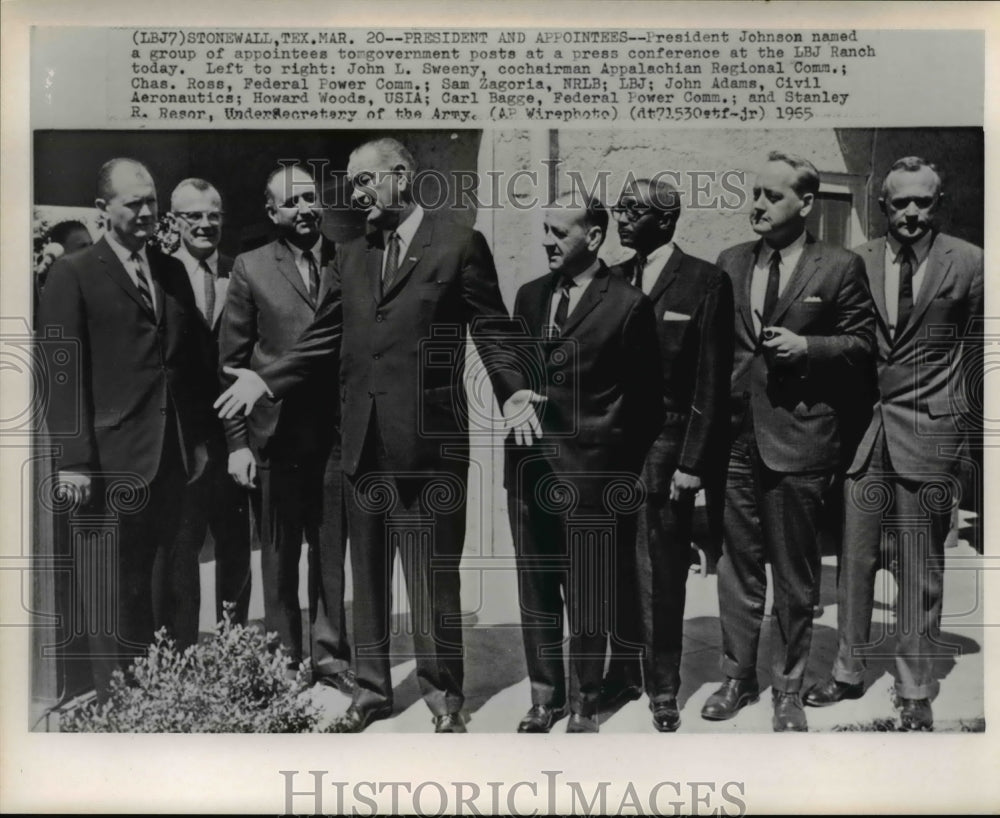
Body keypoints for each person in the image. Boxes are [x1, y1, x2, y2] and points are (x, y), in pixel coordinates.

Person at [216, 138, 533, 733]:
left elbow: (492, 328)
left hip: (430, 448)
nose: (355, 194)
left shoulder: (459, 244)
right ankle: (371, 691)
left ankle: (444, 698)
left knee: (432, 576)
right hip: (361, 445)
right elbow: (319, 338)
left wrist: (512, 386)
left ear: (402, 178)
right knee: (366, 575)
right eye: (352, 183)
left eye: (365, 181)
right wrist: (266, 381)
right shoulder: (352, 257)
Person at [804, 157, 983, 731]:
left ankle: (913, 688)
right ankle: (849, 672)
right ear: (883, 206)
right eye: (900, 202)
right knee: (852, 562)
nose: (911, 212)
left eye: (922, 202)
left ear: (939, 204)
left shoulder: (971, 263)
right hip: (864, 434)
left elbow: (978, 362)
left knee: (918, 567)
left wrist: (963, 455)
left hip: (930, 434)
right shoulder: (860, 260)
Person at [702, 151, 875, 731]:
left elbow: (862, 347)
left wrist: (810, 350)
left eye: (772, 196)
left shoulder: (838, 265)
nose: (757, 204)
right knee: (736, 569)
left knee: (795, 577)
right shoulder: (729, 262)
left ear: (806, 203)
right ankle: (737, 677)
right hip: (735, 442)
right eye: (755, 193)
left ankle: (789, 688)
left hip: (799, 440)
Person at [38, 158, 216, 698]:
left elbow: (190, 363)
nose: (145, 212)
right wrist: (73, 460)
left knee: (174, 582)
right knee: (114, 586)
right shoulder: (73, 273)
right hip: (109, 459)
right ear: (102, 211)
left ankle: (175, 688)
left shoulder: (171, 270)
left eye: (151, 202)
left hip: (176, 454)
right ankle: (120, 699)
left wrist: (205, 441)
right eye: (133, 203)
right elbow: (61, 372)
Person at [506, 193, 663, 733]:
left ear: (593, 238)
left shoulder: (627, 304)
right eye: (545, 230)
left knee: (589, 591)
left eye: (560, 232)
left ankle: (584, 702)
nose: (547, 241)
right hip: (528, 471)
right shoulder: (528, 297)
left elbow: (645, 404)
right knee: (537, 587)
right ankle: (543, 698)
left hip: (591, 477)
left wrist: (606, 459)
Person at [604, 178, 735, 732]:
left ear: (668, 218)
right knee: (613, 566)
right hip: (610, 452)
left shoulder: (705, 281)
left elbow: (711, 382)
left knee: (661, 571)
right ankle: (622, 671)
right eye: (619, 208)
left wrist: (692, 464)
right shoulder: (610, 278)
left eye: (633, 210)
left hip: (667, 452)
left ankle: (663, 686)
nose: (621, 217)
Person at [217, 165, 353, 693]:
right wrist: (236, 444)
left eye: (312, 199)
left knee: (330, 551)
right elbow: (231, 364)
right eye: (291, 203)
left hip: (336, 436)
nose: (305, 210)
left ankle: (329, 657)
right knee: (277, 555)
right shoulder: (251, 269)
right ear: (272, 213)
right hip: (273, 435)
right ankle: (283, 658)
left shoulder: (349, 261)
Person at [167, 178, 252, 633]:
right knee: (183, 550)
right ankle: (182, 649)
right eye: (193, 215)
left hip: (235, 435)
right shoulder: (160, 274)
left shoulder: (242, 271)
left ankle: (234, 647)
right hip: (181, 439)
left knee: (236, 546)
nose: (204, 224)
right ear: (175, 219)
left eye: (212, 215)